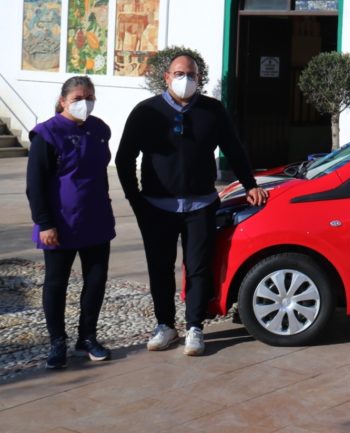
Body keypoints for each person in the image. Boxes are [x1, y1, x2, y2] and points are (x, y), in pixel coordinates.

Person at [115, 51, 268, 357]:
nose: (186, 80)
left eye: (192, 75)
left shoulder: (212, 110)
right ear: (167, 77)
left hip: (201, 205)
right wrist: (136, 198)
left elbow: (233, 149)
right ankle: (165, 325)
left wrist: (250, 184)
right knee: (159, 268)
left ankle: (195, 327)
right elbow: (124, 157)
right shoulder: (146, 112)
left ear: (200, 79)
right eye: (180, 74)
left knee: (198, 268)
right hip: (157, 206)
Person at [26, 76, 116, 369]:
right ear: (63, 101)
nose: (84, 102)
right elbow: (35, 185)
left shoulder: (99, 130)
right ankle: (57, 341)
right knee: (56, 283)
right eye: (77, 98)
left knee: (96, 280)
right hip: (60, 224)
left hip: (96, 218)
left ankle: (87, 336)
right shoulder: (47, 134)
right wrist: (45, 223)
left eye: (89, 97)